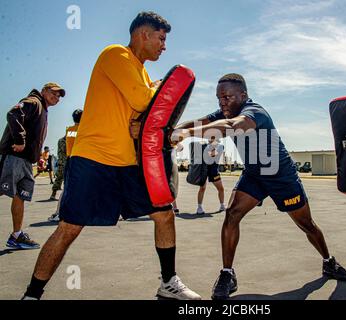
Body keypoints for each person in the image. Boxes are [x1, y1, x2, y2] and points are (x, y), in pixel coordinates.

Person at [22, 11, 200, 300]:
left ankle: (168, 282)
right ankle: (32, 294)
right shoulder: (116, 54)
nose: (164, 46)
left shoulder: (141, 73)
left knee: (164, 214)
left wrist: (148, 104)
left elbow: (144, 120)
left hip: (128, 162)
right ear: (143, 34)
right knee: (69, 228)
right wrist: (155, 91)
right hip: (95, 158)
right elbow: (144, 102)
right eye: (161, 38)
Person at [173, 74, 346, 300]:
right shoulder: (225, 112)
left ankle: (328, 261)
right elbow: (200, 122)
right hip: (254, 174)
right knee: (232, 214)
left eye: (227, 97)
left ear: (243, 95)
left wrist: (186, 134)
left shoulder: (254, 112)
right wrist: (173, 129)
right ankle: (227, 273)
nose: (222, 103)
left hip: (280, 175)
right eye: (219, 98)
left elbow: (230, 127)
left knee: (306, 224)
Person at [0, 82, 65, 249]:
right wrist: (19, 141)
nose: (56, 98)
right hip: (14, 156)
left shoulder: (42, 108)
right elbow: (13, 113)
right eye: (53, 93)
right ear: (43, 91)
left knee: (20, 196)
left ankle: (16, 235)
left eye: (59, 96)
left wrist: (36, 156)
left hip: (25, 160)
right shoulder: (34, 102)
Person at [48, 109, 83, 222]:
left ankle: (59, 212)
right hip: (80, 160)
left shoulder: (69, 131)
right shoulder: (83, 130)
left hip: (70, 160)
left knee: (68, 188)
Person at [196, 137, 226, 215]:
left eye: (212, 138)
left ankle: (222, 205)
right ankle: (199, 207)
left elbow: (212, 154)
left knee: (221, 189)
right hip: (204, 170)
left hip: (213, 171)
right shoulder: (205, 146)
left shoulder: (220, 146)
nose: (210, 139)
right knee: (202, 188)